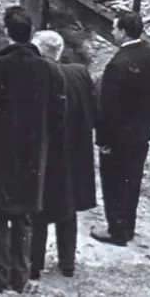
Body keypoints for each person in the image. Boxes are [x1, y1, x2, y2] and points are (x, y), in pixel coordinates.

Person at [0, 6, 65, 294]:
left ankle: (0, 270)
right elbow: (58, 114)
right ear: (31, 34)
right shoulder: (49, 70)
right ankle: (19, 275)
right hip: (32, 154)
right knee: (23, 216)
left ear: (7, 33)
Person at [91, 10, 150, 246]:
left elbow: (107, 106)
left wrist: (103, 139)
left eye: (115, 28)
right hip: (141, 132)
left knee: (113, 181)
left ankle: (116, 230)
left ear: (124, 32)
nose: (113, 32)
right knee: (132, 180)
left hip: (117, 136)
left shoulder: (118, 63)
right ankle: (128, 226)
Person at [30, 30, 97, 280]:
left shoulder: (37, 76)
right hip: (74, 152)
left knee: (38, 210)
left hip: (46, 152)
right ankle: (67, 264)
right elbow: (93, 110)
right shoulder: (80, 73)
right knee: (67, 210)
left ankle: (34, 265)